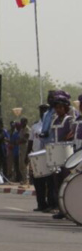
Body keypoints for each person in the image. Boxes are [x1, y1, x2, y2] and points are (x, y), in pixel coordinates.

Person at [49, 91, 75, 220]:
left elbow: (72, 133)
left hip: (66, 155)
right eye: (56, 107)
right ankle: (61, 210)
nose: (58, 110)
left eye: (61, 107)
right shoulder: (54, 120)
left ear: (65, 108)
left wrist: (68, 136)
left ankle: (70, 209)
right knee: (57, 183)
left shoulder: (69, 120)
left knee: (67, 183)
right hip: (56, 155)